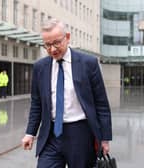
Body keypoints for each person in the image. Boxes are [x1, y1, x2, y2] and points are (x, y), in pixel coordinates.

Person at [22, 19, 112, 168]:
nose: (52, 49)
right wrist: (30, 133)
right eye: (47, 45)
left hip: (80, 134)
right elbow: (37, 104)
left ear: (68, 37)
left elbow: (101, 103)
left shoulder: (88, 63)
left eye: (57, 43)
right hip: (51, 135)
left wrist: (105, 139)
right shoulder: (40, 67)